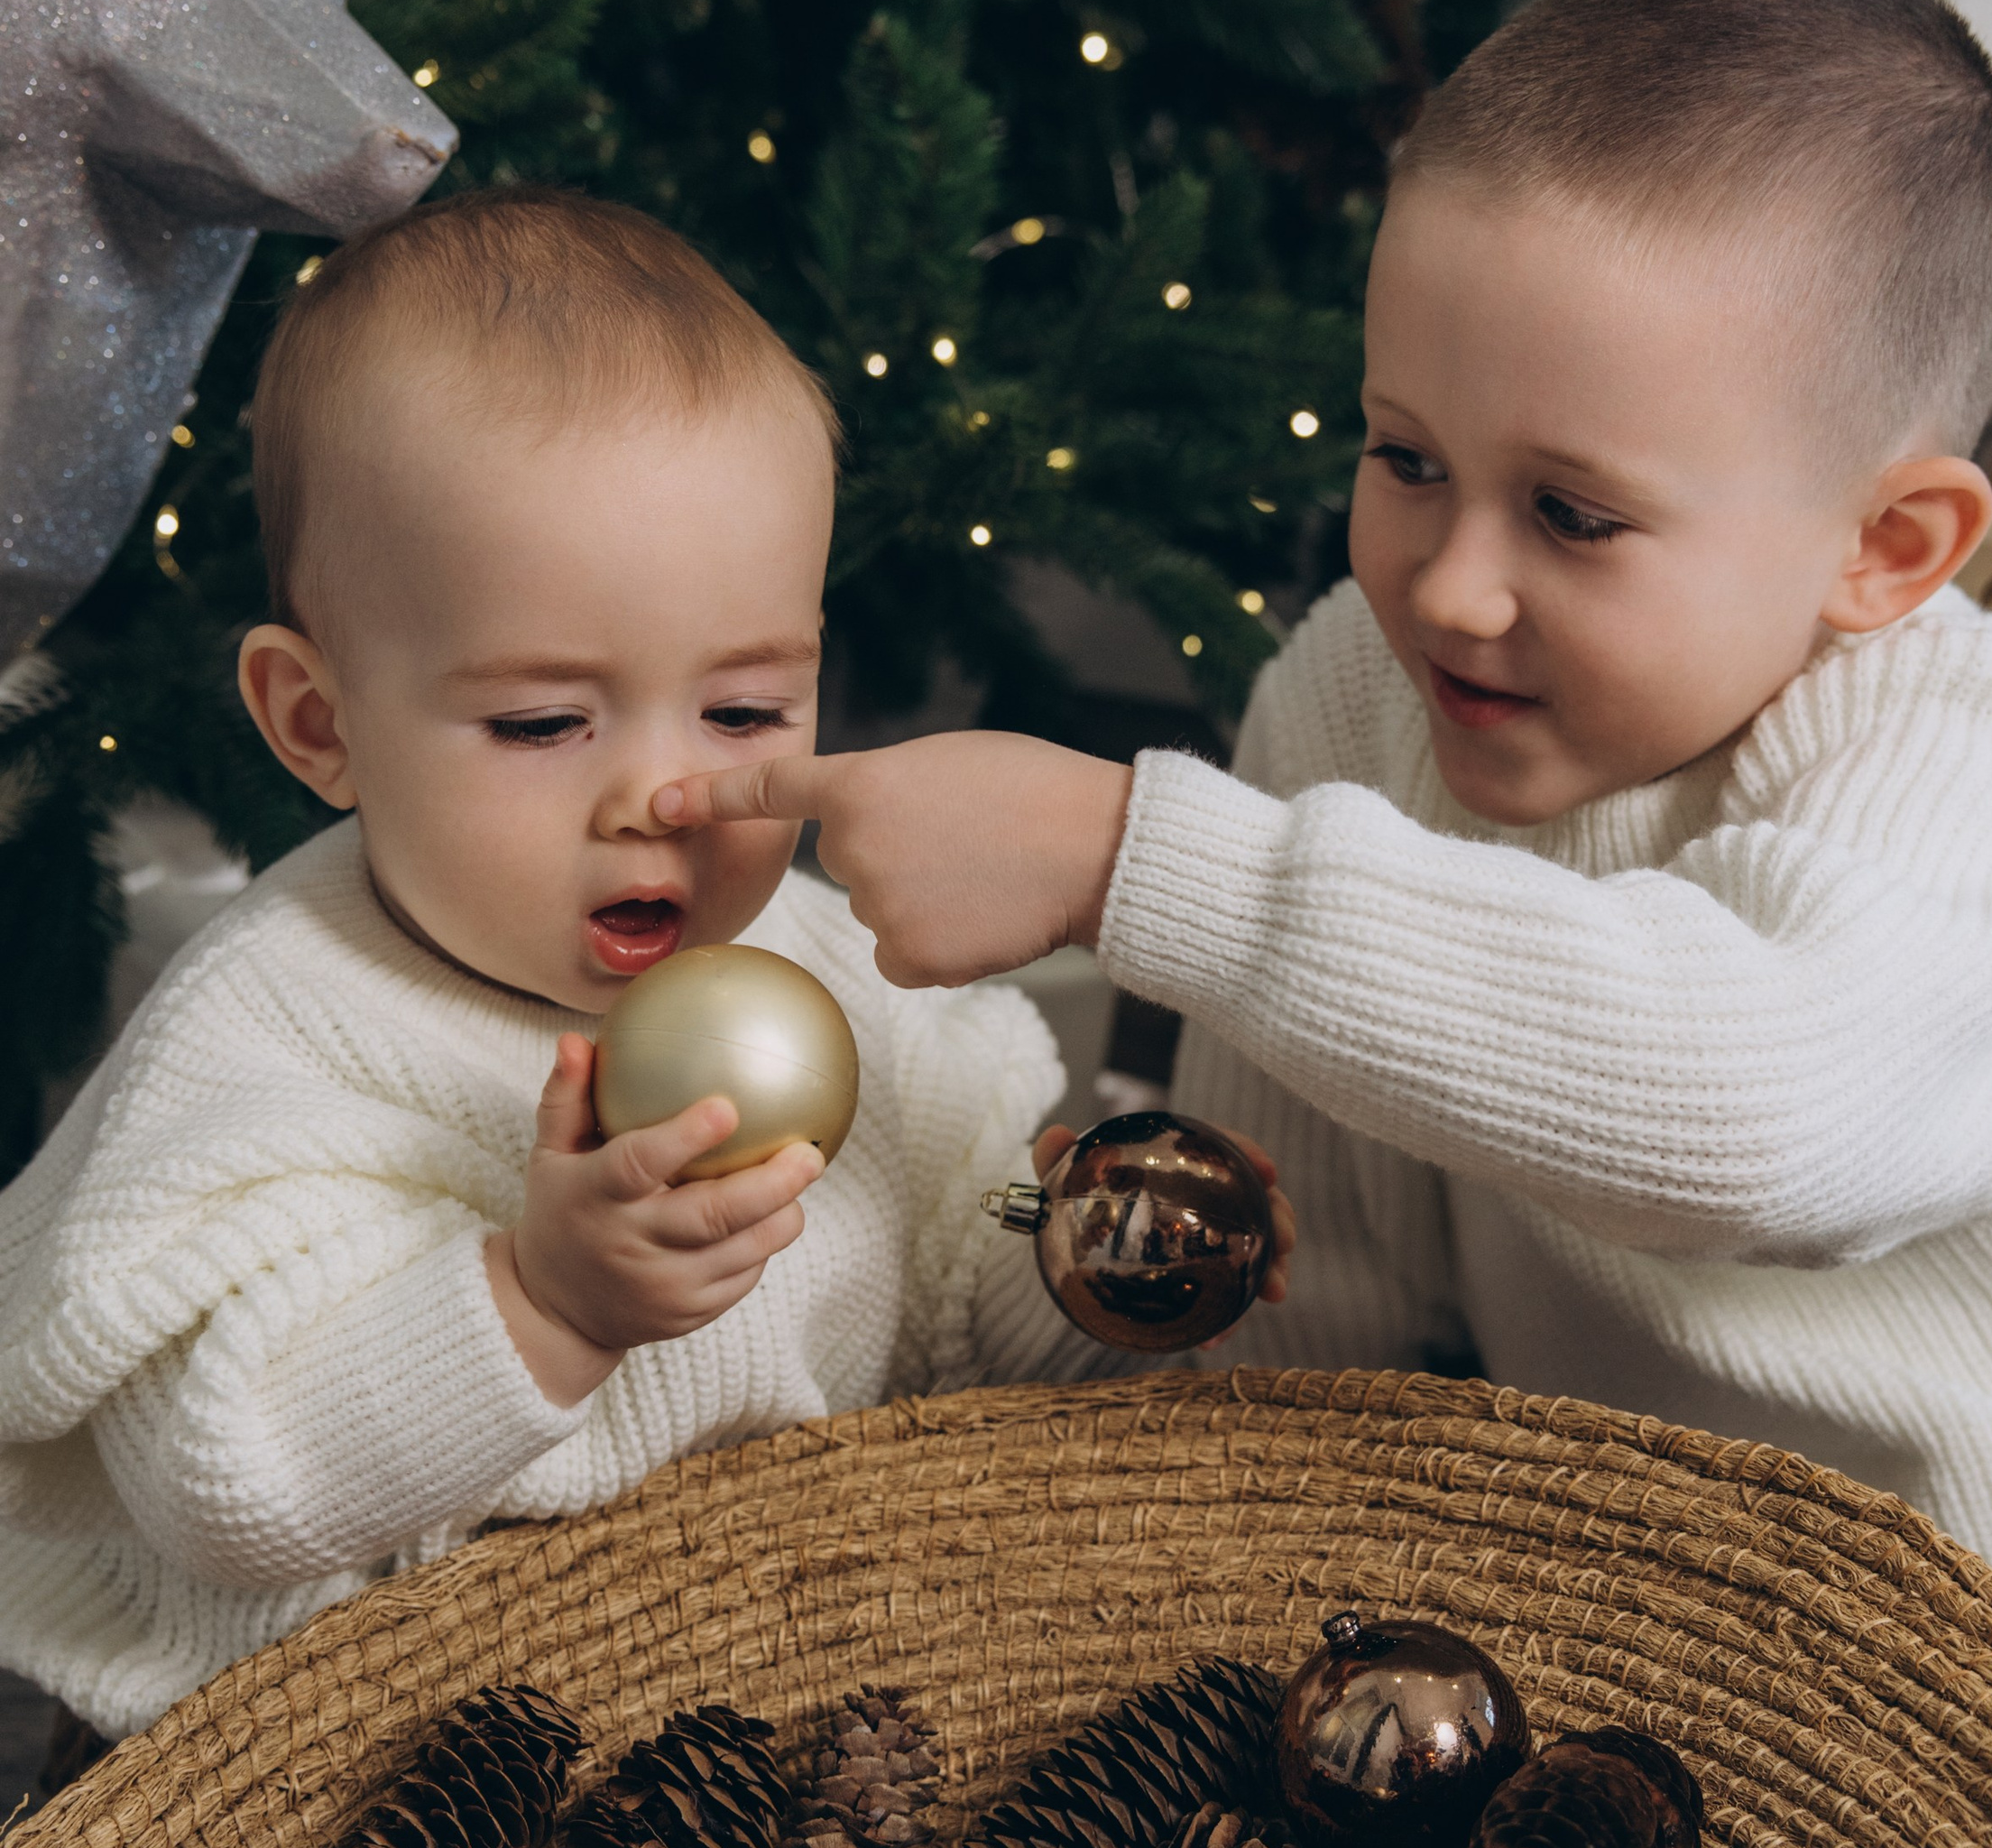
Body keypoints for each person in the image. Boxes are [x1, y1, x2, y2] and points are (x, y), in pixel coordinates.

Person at [667, 0, 1992, 1622]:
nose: (1450, 586)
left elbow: (1756, 1108)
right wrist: (971, 1289)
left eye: (1575, 516)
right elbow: (1332, 1282)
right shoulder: (1361, 701)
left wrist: (1123, 853)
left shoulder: (1964, 749)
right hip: (1741, 1619)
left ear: (1884, 550)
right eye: (1406, 458)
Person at [0, 188, 1290, 1744]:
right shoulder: (281, 1030)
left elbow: (947, 1314)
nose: (662, 799)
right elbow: (230, 1482)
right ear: (318, 727)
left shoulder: (833, 975)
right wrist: (543, 1304)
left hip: (767, 1729)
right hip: (382, 1759)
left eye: (744, 714)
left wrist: (1096, 1263)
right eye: (544, 725)